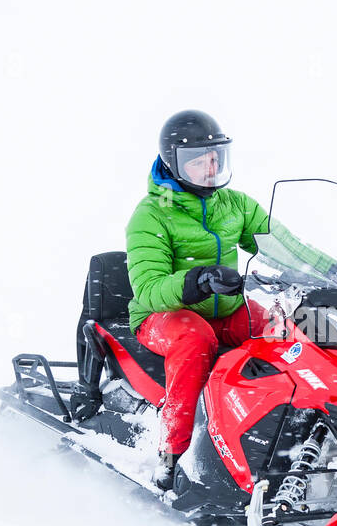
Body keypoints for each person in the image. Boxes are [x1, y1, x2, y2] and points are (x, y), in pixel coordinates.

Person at [126, 110, 297, 490]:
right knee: (195, 340)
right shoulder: (151, 214)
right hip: (165, 315)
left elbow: (285, 247)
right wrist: (197, 280)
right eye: (198, 161)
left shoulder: (235, 205)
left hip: (226, 307)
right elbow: (149, 289)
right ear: (173, 163)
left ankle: (289, 434)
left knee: (283, 332)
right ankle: (171, 457)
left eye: (216, 157)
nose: (210, 168)